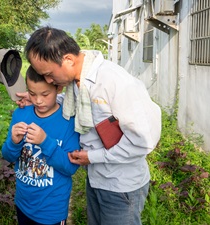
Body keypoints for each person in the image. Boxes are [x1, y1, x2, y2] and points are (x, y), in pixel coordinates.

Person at [16, 26, 162, 225]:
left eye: (49, 74)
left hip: (122, 185)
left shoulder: (114, 82)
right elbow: (76, 105)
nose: (48, 80)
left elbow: (144, 141)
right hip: (96, 179)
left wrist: (92, 157)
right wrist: (37, 98)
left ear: (68, 59)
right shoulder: (77, 84)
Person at [2, 65, 80, 225]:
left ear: (58, 89)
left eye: (45, 94)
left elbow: (70, 168)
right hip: (23, 203)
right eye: (32, 94)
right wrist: (13, 142)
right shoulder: (21, 114)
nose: (38, 100)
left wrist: (45, 142)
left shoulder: (68, 122)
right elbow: (8, 155)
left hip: (52, 210)